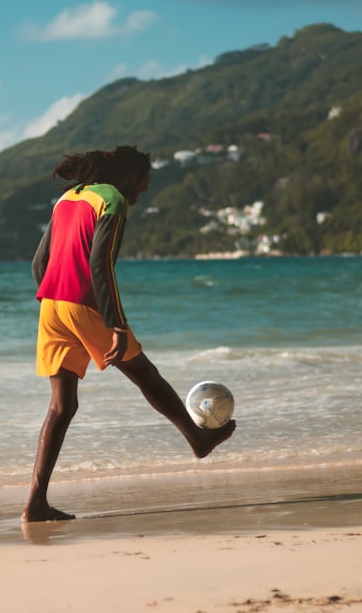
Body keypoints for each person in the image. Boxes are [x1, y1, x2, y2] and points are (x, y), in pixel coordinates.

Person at [23, 145, 236, 523]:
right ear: (131, 177)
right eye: (144, 183)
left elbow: (39, 263)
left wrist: (56, 299)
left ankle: (36, 502)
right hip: (83, 302)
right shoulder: (113, 199)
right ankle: (198, 439)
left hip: (50, 305)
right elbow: (100, 264)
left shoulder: (67, 199)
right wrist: (117, 325)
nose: (143, 192)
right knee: (145, 374)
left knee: (61, 407)